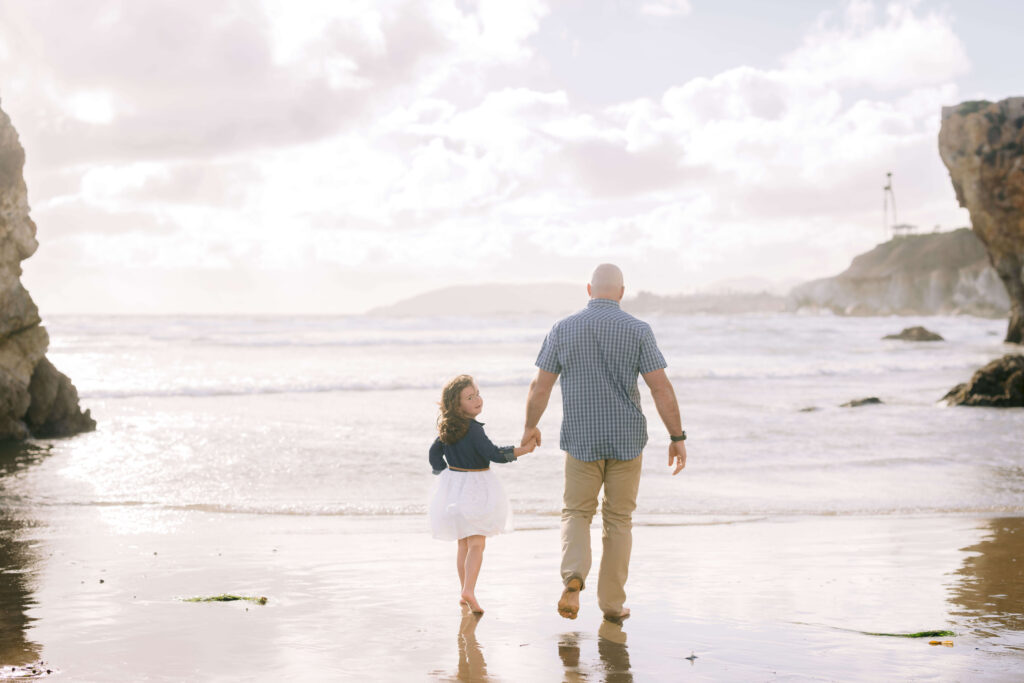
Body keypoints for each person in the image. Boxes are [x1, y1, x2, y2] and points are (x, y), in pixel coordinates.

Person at [521, 263, 687, 622]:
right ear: (622, 292)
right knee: (619, 520)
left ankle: (573, 578)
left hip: (581, 438)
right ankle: (612, 604)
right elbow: (661, 388)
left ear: (588, 289)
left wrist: (530, 427)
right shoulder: (638, 330)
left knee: (577, 512)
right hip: (627, 438)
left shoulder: (562, 329)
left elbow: (540, 386)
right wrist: (676, 437)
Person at [429, 374, 537, 613]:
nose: (477, 399)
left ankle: (463, 592)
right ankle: (469, 590)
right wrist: (524, 450)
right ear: (457, 406)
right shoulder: (474, 430)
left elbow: (433, 454)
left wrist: (442, 473)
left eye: (477, 393)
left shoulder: (447, 428)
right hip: (476, 487)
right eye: (470, 397)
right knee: (477, 542)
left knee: (463, 543)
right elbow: (495, 454)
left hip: (454, 487)